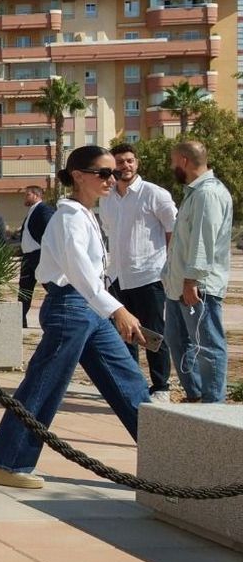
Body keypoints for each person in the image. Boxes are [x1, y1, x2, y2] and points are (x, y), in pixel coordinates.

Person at [0, 145, 150, 488]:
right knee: (43, 388)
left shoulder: (87, 214)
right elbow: (80, 273)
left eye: (115, 173)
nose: (111, 179)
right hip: (70, 309)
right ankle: (8, 462)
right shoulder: (68, 218)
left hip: (87, 310)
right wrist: (117, 309)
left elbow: (96, 272)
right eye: (103, 173)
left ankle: (168, 457)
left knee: (129, 382)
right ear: (77, 175)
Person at [101, 144, 177, 401]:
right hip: (118, 277)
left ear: (137, 163)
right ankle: (132, 383)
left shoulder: (155, 194)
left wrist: (171, 268)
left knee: (153, 334)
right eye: (120, 162)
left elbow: (173, 232)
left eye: (130, 161)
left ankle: (161, 387)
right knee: (124, 336)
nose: (125, 166)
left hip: (149, 276)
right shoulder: (106, 198)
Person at [163, 140, 233, 403]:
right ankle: (195, 396)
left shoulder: (208, 194)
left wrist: (191, 279)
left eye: (173, 161)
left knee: (208, 345)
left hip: (197, 286)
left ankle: (212, 405)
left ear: (183, 161)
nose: (172, 166)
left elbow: (204, 241)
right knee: (178, 342)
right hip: (180, 286)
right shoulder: (194, 193)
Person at [16, 185, 55, 329]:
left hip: (39, 255)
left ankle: (59, 310)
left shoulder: (43, 209)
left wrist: (48, 250)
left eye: (27, 195)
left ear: (36, 195)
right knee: (24, 289)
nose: (25, 198)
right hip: (28, 257)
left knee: (49, 285)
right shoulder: (31, 212)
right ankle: (20, 319)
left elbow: (49, 230)